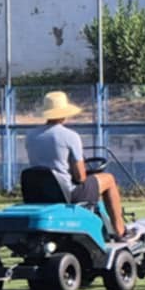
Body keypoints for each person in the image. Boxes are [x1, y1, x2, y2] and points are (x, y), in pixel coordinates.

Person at [25, 91, 127, 240]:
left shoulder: (30, 136)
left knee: (93, 185)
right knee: (108, 179)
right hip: (67, 192)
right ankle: (120, 230)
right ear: (64, 114)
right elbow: (80, 177)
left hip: (39, 192)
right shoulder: (70, 136)